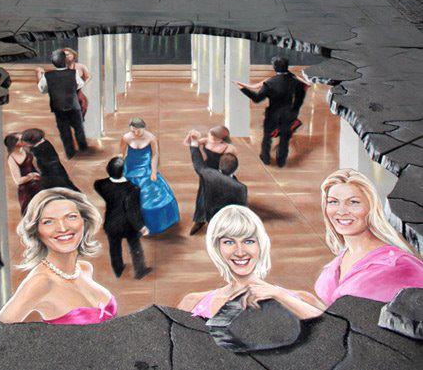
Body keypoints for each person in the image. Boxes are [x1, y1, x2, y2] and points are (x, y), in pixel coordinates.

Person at [177, 204, 320, 320]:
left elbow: (334, 329)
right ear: (217, 247)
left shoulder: (302, 300)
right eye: (228, 242)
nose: (240, 252)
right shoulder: (192, 302)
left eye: (248, 241)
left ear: (260, 245)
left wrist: (280, 296)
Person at [0, 188, 117, 324]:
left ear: (84, 221)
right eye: (48, 221)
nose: (63, 228)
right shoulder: (40, 282)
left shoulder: (84, 269)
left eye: (71, 217)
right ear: (36, 231)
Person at [314, 168, 423, 307]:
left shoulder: (398, 263)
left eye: (353, 202)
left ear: (371, 208)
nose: (341, 211)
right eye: (333, 202)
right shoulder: (337, 262)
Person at [235, 56, 307, 167]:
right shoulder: (295, 81)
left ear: (274, 67)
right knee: (285, 138)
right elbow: (300, 98)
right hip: (288, 113)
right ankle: (281, 161)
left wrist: (243, 89)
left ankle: (265, 158)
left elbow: (257, 99)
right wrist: (294, 110)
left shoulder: (270, 83)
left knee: (267, 136)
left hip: (272, 114)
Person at [93, 156, 152, 280]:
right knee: (135, 247)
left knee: (114, 247)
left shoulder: (101, 184)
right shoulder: (133, 189)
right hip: (128, 226)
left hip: (111, 223)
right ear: (124, 171)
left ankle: (118, 269)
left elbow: (98, 184)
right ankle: (140, 270)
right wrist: (141, 227)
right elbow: (132, 211)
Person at [121, 117, 180, 234]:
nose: (136, 133)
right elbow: (122, 154)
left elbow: (155, 155)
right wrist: (120, 169)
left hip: (145, 169)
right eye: (133, 131)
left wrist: (153, 171)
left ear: (143, 128)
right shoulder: (126, 137)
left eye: (138, 131)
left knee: (152, 194)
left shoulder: (151, 138)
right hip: (131, 168)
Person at [184, 130, 247, 235]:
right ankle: (200, 219)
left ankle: (210, 221)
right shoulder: (241, 188)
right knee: (204, 196)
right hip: (213, 172)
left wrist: (194, 143)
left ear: (222, 138)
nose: (211, 138)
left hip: (211, 173)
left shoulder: (229, 148)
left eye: (214, 137)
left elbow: (198, 164)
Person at [41, 50, 88, 159]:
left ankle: (70, 153)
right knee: (78, 128)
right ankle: (83, 148)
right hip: (73, 105)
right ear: (65, 61)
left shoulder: (47, 75)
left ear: (53, 61)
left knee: (64, 131)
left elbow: (42, 89)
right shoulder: (73, 73)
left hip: (58, 106)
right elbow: (80, 84)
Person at [19, 128, 79, 193]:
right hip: (56, 171)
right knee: (68, 186)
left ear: (31, 141)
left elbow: (38, 156)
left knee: (64, 189)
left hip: (52, 174)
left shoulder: (40, 149)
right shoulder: (44, 143)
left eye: (26, 142)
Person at [4, 132, 43, 216]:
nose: (24, 140)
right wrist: (31, 176)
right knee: (30, 213)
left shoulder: (26, 150)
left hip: (37, 184)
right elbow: (18, 181)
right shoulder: (12, 158)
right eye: (20, 139)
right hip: (26, 189)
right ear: (14, 143)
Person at [63, 47, 91, 118]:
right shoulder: (62, 68)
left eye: (68, 54)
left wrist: (83, 84)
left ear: (73, 55)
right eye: (64, 55)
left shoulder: (81, 66)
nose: (66, 57)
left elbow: (88, 76)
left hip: (78, 94)